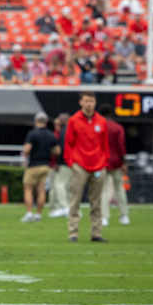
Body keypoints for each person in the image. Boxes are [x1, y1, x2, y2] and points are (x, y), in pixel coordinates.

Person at [64, 91, 109, 242]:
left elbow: (105, 145)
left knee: (96, 201)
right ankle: (73, 233)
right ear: (81, 103)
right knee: (75, 200)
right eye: (86, 101)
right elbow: (68, 143)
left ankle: (96, 233)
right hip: (79, 165)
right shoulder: (73, 120)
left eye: (92, 101)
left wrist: (104, 162)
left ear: (95, 103)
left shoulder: (102, 121)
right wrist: (71, 162)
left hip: (98, 166)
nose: (89, 104)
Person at [21, 113, 58, 223]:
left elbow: (26, 150)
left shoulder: (32, 134)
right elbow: (57, 151)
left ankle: (29, 213)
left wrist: (26, 154)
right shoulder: (51, 135)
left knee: (28, 189)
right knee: (41, 190)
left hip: (33, 166)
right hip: (46, 166)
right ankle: (38, 214)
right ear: (46, 122)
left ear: (36, 121)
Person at [100, 103, 129, 227]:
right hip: (116, 162)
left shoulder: (98, 127)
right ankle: (124, 216)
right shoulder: (117, 128)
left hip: (102, 162)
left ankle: (104, 217)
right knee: (120, 189)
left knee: (104, 190)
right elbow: (121, 146)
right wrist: (123, 162)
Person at [48, 113, 71, 217]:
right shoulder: (68, 131)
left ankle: (63, 207)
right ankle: (64, 207)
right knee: (65, 186)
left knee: (58, 185)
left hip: (63, 163)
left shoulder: (62, 132)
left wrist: (57, 163)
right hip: (71, 163)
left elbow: (59, 150)